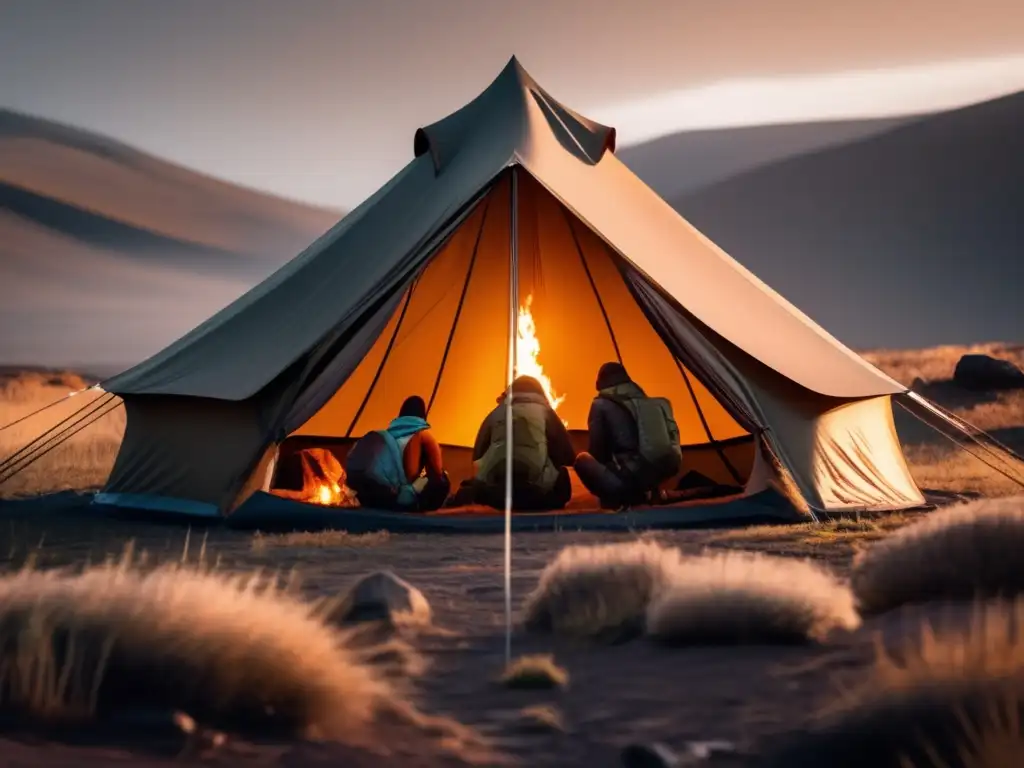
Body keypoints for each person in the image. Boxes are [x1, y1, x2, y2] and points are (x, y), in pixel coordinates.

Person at [458, 375, 577, 511]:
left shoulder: (494, 414)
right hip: (538, 496)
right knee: (564, 475)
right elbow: (568, 458)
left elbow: (477, 456)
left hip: (497, 495)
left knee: (473, 485)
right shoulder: (547, 412)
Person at [575, 362, 682, 509]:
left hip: (626, 482)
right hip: (658, 477)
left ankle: (621, 499)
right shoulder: (655, 404)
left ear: (600, 383)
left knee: (582, 460)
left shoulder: (600, 405)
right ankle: (650, 493)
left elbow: (598, 452)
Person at [345, 395, 450, 511]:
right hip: (393, 498)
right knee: (443, 480)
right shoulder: (422, 435)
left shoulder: (387, 435)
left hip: (364, 494)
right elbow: (437, 472)